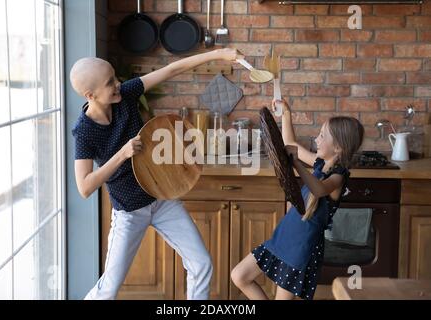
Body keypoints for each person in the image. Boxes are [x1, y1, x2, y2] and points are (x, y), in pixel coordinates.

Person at [70, 48, 243, 300]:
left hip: (161, 200)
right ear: (91, 95)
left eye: (115, 77)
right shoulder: (84, 132)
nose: (118, 84)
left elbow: (172, 70)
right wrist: (122, 154)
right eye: (110, 83)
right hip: (129, 211)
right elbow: (84, 187)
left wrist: (219, 54)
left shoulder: (125, 95)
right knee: (109, 288)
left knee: (201, 263)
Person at [231, 98, 364, 300]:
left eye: (322, 136)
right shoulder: (320, 164)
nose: (317, 139)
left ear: (337, 148)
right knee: (239, 276)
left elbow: (318, 189)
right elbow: (290, 144)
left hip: (301, 249)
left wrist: (296, 163)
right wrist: (286, 113)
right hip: (283, 238)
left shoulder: (338, 177)